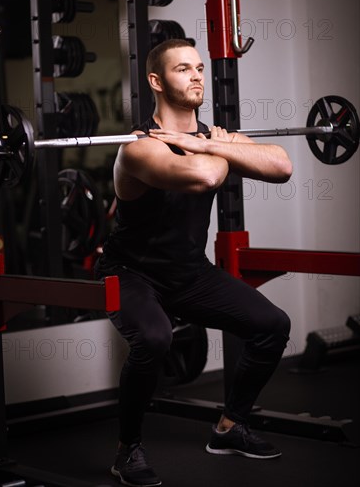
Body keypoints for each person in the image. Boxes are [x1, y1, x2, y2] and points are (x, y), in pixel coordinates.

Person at [95, 38, 293, 487]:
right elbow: (204, 177)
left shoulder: (210, 136)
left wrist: (205, 142)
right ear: (156, 81)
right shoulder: (139, 148)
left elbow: (282, 166)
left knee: (272, 325)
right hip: (131, 272)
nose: (198, 75)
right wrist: (215, 148)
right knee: (154, 337)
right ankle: (128, 450)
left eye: (199, 67)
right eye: (183, 69)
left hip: (189, 273)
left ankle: (230, 427)